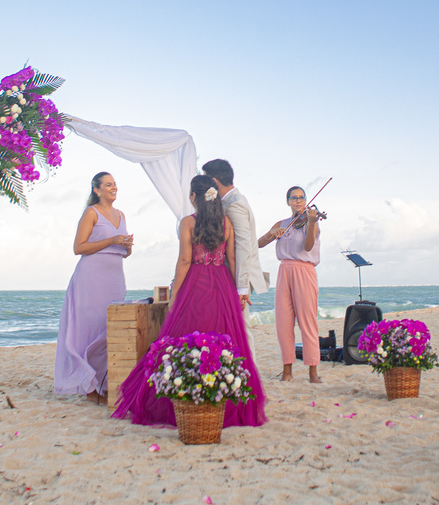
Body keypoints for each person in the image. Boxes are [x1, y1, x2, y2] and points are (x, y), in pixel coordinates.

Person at [112, 175, 267, 428]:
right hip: (222, 284)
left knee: (183, 335)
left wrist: (175, 295)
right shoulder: (226, 222)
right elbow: (233, 258)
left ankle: (181, 398)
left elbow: (185, 260)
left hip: (196, 283)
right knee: (225, 337)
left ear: (194, 197)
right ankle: (225, 400)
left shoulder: (188, 222)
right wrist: (239, 289)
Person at [54, 172, 133, 403]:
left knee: (108, 328)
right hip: (91, 278)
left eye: (115, 184)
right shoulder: (91, 212)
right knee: (88, 328)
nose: (113, 187)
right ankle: (87, 383)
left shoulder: (121, 214)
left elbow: (123, 251)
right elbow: (78, 247)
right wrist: (112, 240)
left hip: (115, 277)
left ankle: (104, 380)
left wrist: (126, 246)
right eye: (108, 184)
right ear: (97, 190)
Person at [202, 159, 267, 356]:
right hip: (231, 277)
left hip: (237, 278)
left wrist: (241, 287)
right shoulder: (233, 200)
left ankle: (250, 376)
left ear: (214, 181)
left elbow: (243, 246)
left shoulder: (235, 204)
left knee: (242, 330)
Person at [259, 186, 323, 383]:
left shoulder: (310, 220)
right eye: (293, 198)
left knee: (307, 321)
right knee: (283, 321)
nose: (298, 201)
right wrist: (273, 233)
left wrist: (311, 223)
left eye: (301, 198)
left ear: (305, 200)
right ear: (287, 201)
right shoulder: (283, 223)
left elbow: (308, 246)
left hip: (304, 270)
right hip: (284, 270)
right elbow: (260, 243)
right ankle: (287, 370)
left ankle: (313, 372)